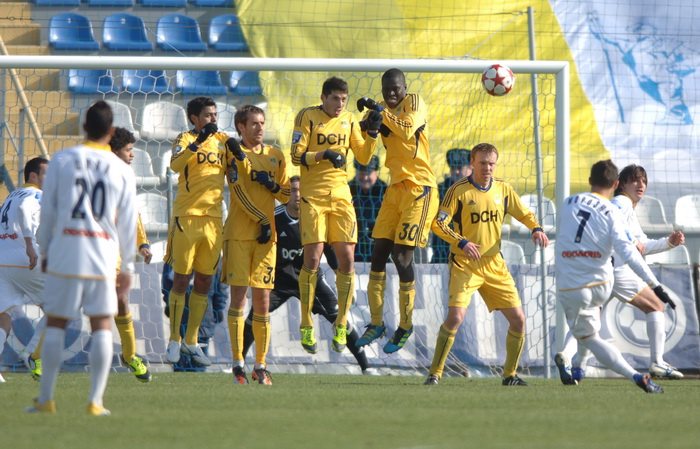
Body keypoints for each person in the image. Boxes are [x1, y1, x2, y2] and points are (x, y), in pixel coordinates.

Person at [28, 100, 137, 415]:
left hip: (66, 249)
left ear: (84, 127)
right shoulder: (122, 169)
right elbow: (128, 222)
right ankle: (95, 402)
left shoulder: (63, 160)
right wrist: (128, 266)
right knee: (102, 323)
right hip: (103, 254)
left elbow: (48, 211)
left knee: (56, 322)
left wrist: (44, 249)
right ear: (111, 132)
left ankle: (46, 399)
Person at [423, 143, 549, 386]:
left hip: (494, 264)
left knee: (519, 319)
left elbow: (523, 213)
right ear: (472, 163)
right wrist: (461, 242)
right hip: (465, 264)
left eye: (491, 163)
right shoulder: (458, 190)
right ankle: (435, 373)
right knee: (455, 317)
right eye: (482, 163)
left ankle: (510, 375)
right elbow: (438, 224)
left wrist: (536, 228)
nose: (487, 168)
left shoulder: (503, 189)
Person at [555, 163, 685, 383]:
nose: (640, 184)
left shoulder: (621, 207)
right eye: (634, 180)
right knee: (656, 305)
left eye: (644, 181)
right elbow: (628, 245)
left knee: (588, 321)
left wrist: (668, 243)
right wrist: (654, 283)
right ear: (619, 184)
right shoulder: (620, 203)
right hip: (616, 272)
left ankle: (571, 360)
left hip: (598, 273)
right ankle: (657, 362)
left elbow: (640, 245)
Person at [240, 176, 375, 375]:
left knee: (338, 316)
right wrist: (251, 279)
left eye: (301, 190)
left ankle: (366, 367)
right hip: (278, 280)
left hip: (311, 280)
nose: (298, 195)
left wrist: (341, 278)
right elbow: (258, 248)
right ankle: (238, 363)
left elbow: (329, 251)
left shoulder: (315, 218)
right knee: (255, 316)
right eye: (294, 190)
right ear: (287, 193)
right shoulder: (274, 218)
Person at [291, 76, 380, 354]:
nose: (340, 104)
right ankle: (306, 323)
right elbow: (296, 155)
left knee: (347, 259)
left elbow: (363, 157)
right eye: (335, 98)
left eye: (343, 99)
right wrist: (324, 154)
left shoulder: (350, 119)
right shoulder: (307, 116)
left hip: (341, 196)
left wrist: (373, 133)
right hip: (313, 196)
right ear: (323, 97)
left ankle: (341, 323)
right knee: (313, 257)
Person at [355, 68, 439, 353]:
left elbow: (405, 128)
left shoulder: (413, 102)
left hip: (420, 189)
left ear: (404, 87)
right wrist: (368, 128)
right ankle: (376, 323)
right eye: (386, 89)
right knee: (377, 253)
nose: (391, 93)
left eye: (396, 88)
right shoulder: (381, 109)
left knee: (401, 257)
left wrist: (378, 110)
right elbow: (365, 151)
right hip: (394, 190)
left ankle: (405, 325)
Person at [224, 104, 290, 385]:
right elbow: (238, 193)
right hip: (239, 234)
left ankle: (261, 365)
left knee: (262, 301)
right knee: (239, 299)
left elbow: (287, 195)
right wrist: (263, 219)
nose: (260, 127)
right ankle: (237, 363)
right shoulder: (233, 154)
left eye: (262, 122)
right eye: (254, 123)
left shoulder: (275, 155)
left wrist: (272, 187)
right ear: (241, 127)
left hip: (267, 239)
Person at [165, 97, 230, 366]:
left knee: (205, 281)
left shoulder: (224, 141)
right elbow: (175, 166)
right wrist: (198, 142)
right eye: (207, 115)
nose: (213, 119)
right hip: (187, 218)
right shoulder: (185, 138)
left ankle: (192, 341)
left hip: (213, 220)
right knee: (181, 280)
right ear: (194, 118)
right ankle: (174, 339)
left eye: (215, 114)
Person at [109, 127, 152, 382]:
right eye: (128, 150)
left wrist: (142, 243)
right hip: (89, 247)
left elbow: (132, 212)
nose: (132, 155)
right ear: (114, 151)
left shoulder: (127, 176)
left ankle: (130, 355)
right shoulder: (95, 175)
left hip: (113, 251)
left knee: (122, 300)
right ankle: (37, 356)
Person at [0, 157, 49, 383]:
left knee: (3, 316)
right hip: (25, 258)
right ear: (33, 176)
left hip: (2, 260)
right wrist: (29, 243)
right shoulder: (35, 195)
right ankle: (32, 355)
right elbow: (24, 209)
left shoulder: (11, 196)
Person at [431, 148, 472, 264]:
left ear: (471, 167)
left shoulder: (478, 188)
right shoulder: (441, 189)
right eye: (453, 168)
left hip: (469, 248)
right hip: (442, 248)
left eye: (460, 168)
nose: (456, 172)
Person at [349, 155, 387, 262]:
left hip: (379, 247)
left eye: (368, 173)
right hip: (354, 246)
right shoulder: (348, 190)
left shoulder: (385, 191)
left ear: (376, 173)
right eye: (361, 173)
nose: (365, 178)